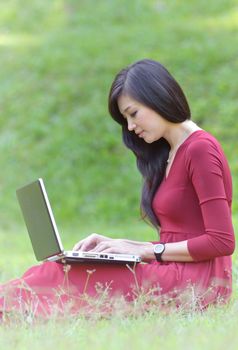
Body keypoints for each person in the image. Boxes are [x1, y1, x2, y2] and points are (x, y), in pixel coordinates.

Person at [0, 59, 235, 319]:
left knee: (63, 274)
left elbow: (221, 241)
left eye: (133, 114)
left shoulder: (200, 149)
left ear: (158, 97)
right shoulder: (170, 153)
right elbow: (177, 240)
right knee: (55, 269)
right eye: (125, 119)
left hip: (199, 283)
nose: (131, 127)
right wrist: (121, 245)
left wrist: (143, 250)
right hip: (177, 270)